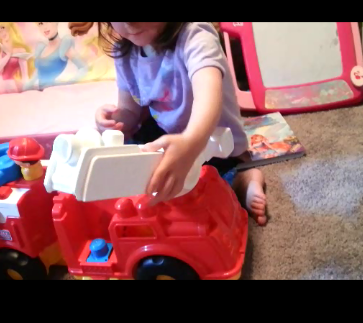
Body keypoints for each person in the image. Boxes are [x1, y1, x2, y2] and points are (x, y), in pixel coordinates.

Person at [95, 22, 267, 226]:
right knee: (129, 152)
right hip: (168, 135)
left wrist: (191, 142)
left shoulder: (195, 36)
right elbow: (131, 111)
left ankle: (244, 179)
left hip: (212, 140)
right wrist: (115, 121)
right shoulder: (124, 53)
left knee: (212, 187)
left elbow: (208, 97)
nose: (128, 24)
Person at [23, 22, 88, 90]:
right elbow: (39, 72)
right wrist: (29, 84)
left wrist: (68, 84)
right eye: (41, 23)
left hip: (55, 92)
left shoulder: (64, 45)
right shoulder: (42, 48)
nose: (44, 27)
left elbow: (83, 68)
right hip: (41, 94)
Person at [0, 22, 34, 95]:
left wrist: (28, 90)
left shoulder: (21, 51)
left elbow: (25, 75)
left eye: (3, 28)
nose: (2, 33)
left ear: (10, 27)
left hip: (9, 84)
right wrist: (8, 55)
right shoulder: (3, 51)